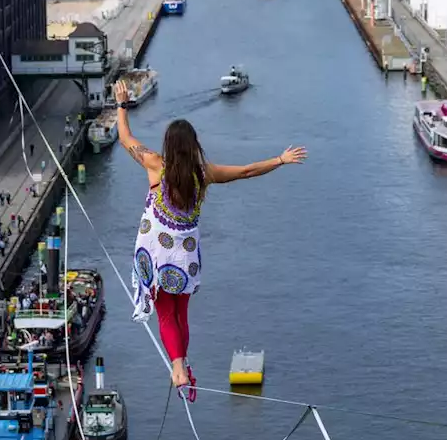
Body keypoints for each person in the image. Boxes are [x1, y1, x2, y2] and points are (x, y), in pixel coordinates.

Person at [112, 79, 306, 399]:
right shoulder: (204, 173)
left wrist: (122, 104)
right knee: (181, 314)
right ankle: (183, 363)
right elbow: (247, 171)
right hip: (185, 259)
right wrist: (279, 160)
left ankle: (177, 367)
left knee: (165, 314)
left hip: (159, 256)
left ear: (169, 146)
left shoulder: (155, 166)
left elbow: (124, 137)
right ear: (193, 145)